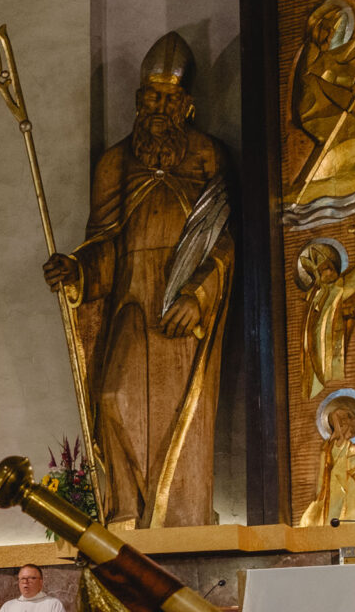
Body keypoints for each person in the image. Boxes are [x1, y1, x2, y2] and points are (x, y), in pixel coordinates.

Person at [41, 32, 234, 530]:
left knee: (179, 415)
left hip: (179, 305)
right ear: (137, 99)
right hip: (130, 298)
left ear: (187, 105)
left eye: (169, 98)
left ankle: (180, 519)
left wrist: (198, 294)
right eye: (151, 97)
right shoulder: (115, 162)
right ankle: (126, 510)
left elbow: (222, 241)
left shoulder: (207, 155)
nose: (158, 108)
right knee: (113, 399)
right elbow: (104, 241)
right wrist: (77, 269)